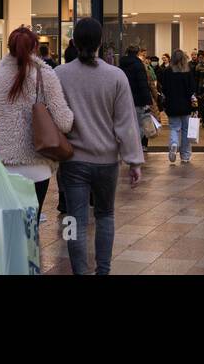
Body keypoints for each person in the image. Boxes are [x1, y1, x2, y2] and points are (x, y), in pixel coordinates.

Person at [54, 18, 143, 275]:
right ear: (101, 44)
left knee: (75, 220)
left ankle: (80, 272)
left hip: (73, 161)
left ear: (73, 42)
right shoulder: (116, 76)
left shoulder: (60, 74)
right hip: (106, 162)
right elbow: (126, 122)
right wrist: (134, 161)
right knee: (105, 216)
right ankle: (103, 271)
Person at [0, 26, 74, 229]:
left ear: (8, 48)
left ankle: (8, 260)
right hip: (37, 167)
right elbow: (64, 122)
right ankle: (27, 258)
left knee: (7, 228)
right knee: (29, 228)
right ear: (35, 48)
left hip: (2, 167)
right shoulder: (46, 76)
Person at [158, 49, 197, 162]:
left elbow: (163, 88)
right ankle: (185, 155)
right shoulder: (188, 71)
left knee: (174, 128)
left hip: (172, 105)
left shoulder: (167, 71)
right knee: (185, 130)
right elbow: (192, 89)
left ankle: (174, 144)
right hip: (186, 105)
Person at [119, 45, 154, 149]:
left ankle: (127, 146)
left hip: (124, 100)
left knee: (127, 125)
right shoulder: (139, 65)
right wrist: (147, 101)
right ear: (138, 53)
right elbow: (143, 84)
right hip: (138, 100)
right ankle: (136, 147)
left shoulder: (121, 65)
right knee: (139, 125)